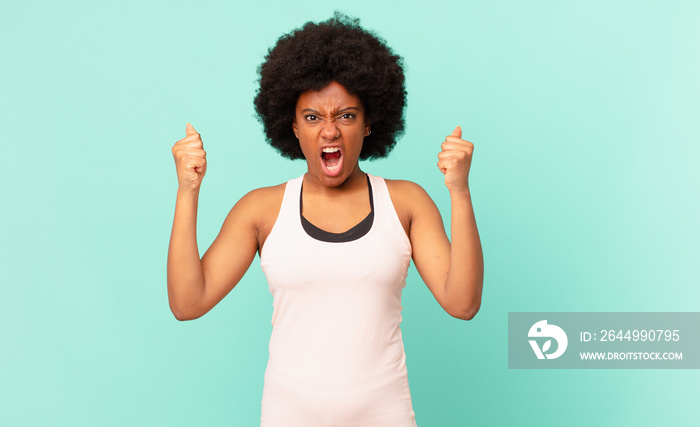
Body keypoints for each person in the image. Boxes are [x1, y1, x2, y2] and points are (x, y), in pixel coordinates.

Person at [167, 13, 483, 427]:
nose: (330, 131)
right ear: (292, 126)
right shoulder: (262, 210)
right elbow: (188, 302)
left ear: (369, 123)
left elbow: (463, 303)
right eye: (313, 117)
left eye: (346, 116)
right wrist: (188, 192)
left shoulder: (405, 202)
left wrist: (460, 192)